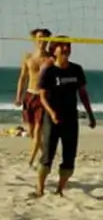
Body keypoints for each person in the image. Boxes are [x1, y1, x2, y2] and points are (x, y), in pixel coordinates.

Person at [36, 37, 96, 197]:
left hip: (70, 118)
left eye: (68, 46)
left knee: (69, 157)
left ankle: (60, 189)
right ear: (54, 50)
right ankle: (40, 189)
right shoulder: (49, 71)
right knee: (47, 156)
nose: (65, 49)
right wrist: (51, 112)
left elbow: (83, 93)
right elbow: (42, 96)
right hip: (52, 118)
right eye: (61, 46)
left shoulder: (76, 69)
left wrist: (90, 114)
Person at [15, 27, 53, 167]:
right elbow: (22, 78)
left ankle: (31, 161)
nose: (41, 41)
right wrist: (18, 96)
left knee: (38, 130)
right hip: (30, 96)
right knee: (31, 131)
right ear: (34, 40)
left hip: (43, 96)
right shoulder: (28, 57)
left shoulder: (51, 58)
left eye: (44, 38)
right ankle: (45, 155)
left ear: (48, 40)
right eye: (39, 38)